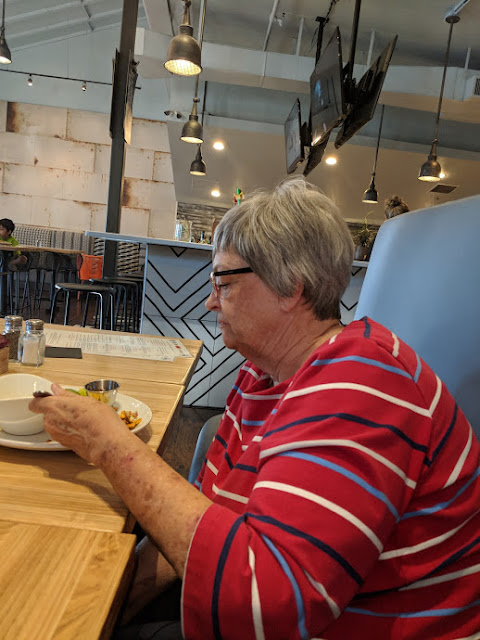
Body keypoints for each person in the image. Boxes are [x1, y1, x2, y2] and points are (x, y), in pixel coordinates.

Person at [30, 177, 480, 639]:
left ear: (290, 289)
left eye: (224, 282)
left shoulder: (360, 382)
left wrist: (110, 446)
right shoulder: (261, 374)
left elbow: (269, 607)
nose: (210, 302)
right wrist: (107, 607)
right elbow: (206, 512)